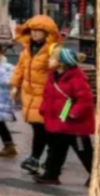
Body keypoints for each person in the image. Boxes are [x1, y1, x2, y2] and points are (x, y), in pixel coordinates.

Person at [11, 15, 63, 175]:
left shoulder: (54, 50)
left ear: (47, 33)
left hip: (46, 95)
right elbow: (20, 68)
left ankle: (37, 159)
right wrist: (15, 86)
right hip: (29, 94)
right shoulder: (26, 50)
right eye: (32, 30)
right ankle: (46, 159)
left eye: (38, 31)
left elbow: (61, 71)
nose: (34, 34)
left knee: (43, 128)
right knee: (39, 127)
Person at [37, 48, 95, 186]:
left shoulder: (77, 78)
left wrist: (74, 113)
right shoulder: (52, 76)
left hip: (75, 123)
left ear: (61, 63)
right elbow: (48, 95)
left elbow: (85, 99)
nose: (49, 60)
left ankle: (97, 175)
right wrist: (44, 108)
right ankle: (51, 175)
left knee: (84, 151)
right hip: (58, 120)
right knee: (56, 149)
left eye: (52, 58)